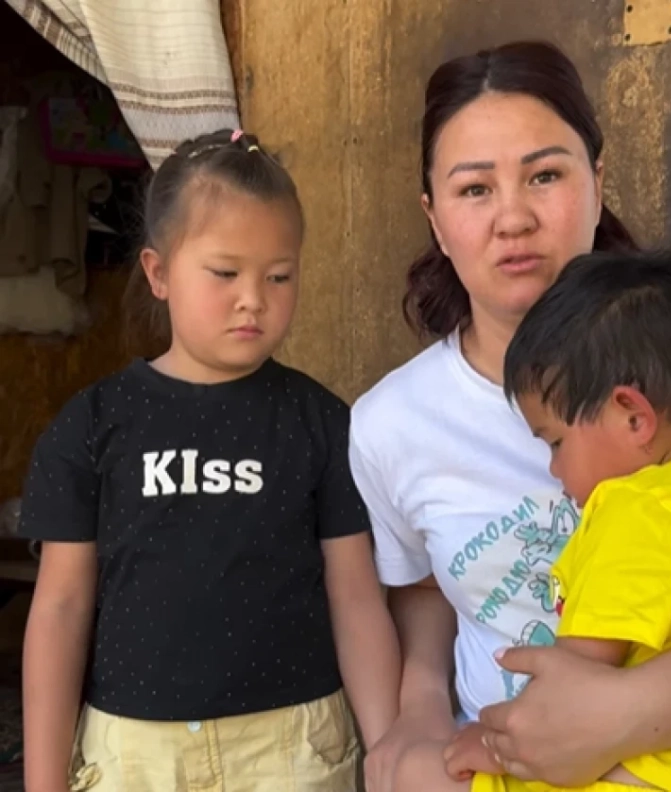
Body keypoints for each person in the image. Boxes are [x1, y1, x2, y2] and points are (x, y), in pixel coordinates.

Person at [348, 40, 671, 792]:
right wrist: (419, 707)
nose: (513, 218)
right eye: (474, 189)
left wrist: (625, 711)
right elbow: (422, 586)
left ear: (598, 181)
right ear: (436, 220)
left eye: (545, 175)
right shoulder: (391, 423)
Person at [20, 129, 400, 792]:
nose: (254, 298)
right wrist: (44, 780)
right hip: (136, 755)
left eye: (279, 276)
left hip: (295, 749)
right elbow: (60, 607)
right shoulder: (92, 425)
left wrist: (391, 751)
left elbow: (357, 597)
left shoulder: (322, 422)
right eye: (225, 273)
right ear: (159, 273)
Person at [443, 244, 671, 792]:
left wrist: (492, 745)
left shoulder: (637, 514)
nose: (554, 470)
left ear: (634, 417)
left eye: (555, 442)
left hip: (659, 774)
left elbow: (566, 700)